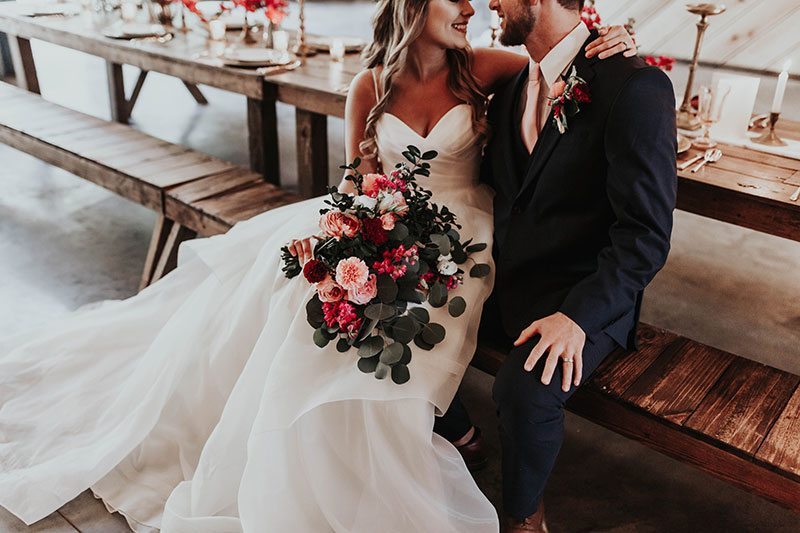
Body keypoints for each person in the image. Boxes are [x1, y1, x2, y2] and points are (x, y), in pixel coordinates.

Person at [0, 1, 635, 532]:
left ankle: (442, 424)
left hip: (464, 232)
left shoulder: (484, 69)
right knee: (303, 302)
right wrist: (357, 236)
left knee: (408, 311)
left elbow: (558, 64)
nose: (471, 7)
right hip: (385, 220)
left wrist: (616, 37)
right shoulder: (370, 86)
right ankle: (307, 449)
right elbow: (357, 181)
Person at [434, 1, 677, 531]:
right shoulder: (515, 82)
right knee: (406, 325)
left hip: (585, 297)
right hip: (508, 280)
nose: (492, 3)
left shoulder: (634, 87)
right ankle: (458, 437)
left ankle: (526, 519)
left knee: (522, 392)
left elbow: (644, 237)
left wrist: (578, 319)